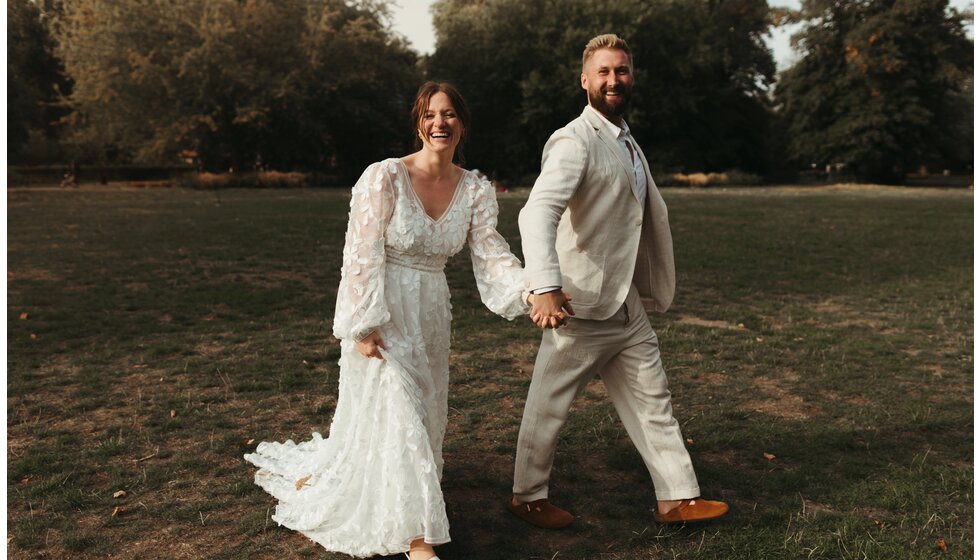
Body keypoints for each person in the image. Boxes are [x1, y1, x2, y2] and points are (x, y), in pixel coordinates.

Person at [245, 82, 530, 560]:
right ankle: (419, 542)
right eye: (429, 115)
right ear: (418, 122)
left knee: (420, 413)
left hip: (432, 311)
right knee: (397, 409)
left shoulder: (476, 189)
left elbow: (491, 254)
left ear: (463, 123)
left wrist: (530, 288)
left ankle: (353, 476)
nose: (439, 123)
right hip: (383, 309)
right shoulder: (384, 177)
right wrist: (363, 322)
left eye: (449, 115)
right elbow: (361, 251)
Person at [509, 34, 729, 529]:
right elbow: (536, 212)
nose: (614, 80)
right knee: (549, 408)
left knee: (654, 399)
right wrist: (544, 285)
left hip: (625, 302)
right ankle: (526, 495)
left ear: (631, 77)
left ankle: (677, 497)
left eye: (622, 71)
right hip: (579, 303)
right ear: (585, 81)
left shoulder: (625, 137)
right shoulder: (574, 139)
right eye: (604, 72)